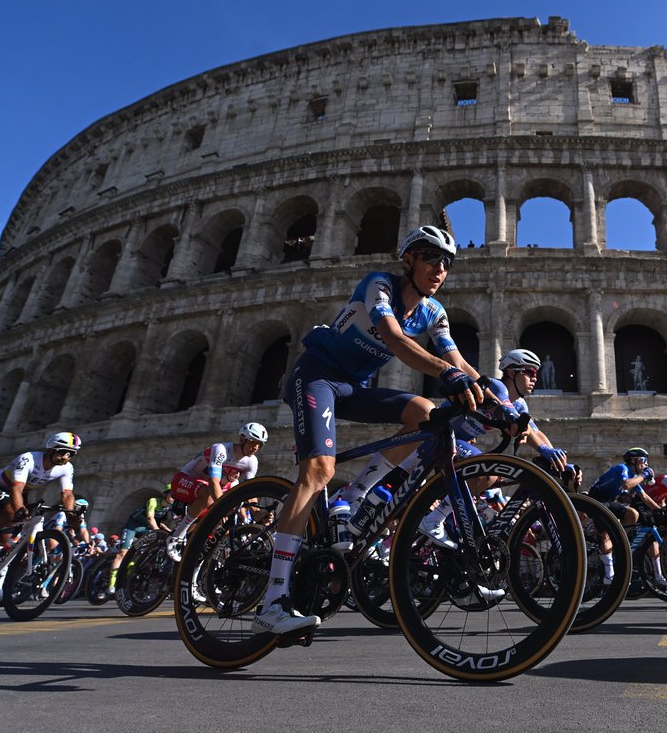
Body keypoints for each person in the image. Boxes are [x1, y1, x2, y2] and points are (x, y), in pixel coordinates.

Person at [254, 225, 484, 636]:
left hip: (353, 388)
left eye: (447, 262)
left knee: (424, 413)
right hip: (317, 376)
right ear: (408, 260)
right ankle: (272, 602)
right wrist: (449, 373)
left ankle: (352, 496)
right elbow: (395, 340)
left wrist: (497, 402)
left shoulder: (434, 312)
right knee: (317, 471)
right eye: (431, 257)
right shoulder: (379, 285)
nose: (440, 268)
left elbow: (458, 360)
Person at [411, 348, 566, 548]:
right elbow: (505, 408)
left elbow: (535, 432)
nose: (535, 378)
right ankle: (435, 518)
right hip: (439, 438)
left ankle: (449, 522)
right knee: (487, 473)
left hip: (454, 444)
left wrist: (555, 456)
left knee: (495, 478)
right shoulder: (495, 386)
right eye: (530, 372)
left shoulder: (520, 405)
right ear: (512, 372)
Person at [0, 432, 83, 553]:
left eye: (71, 454)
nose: (66, 457)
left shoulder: (67, 468)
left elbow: (67, 494)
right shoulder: (28, 459)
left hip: (19, 494)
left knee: (7, 539)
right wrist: (19, 510)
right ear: (50, 450)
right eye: (63, 452)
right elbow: (16, 488)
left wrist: (71, 514)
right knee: (12, 512)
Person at [166, 422, 267, 559]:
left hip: (207, 489)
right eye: (253, 442)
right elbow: (213, 482)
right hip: (184, 480)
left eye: (260, 444)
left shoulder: (252, 462)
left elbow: (249, 491)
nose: (255, 448)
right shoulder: (221, 449)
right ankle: (176, 536)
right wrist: (224, 507)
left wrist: (257, 512)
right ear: (242, 439)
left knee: (234, 503)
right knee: (210, 494)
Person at [587, 447, 667, 587]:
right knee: (606, 534)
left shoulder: (633, 475)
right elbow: (626, 485)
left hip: (608, 501)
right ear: (634, 460)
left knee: (633, 514)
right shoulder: (622, 468)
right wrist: (643, 476)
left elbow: (643, 496)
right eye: (644, 461)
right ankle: (609, 575)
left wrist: (660, 509)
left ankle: (617, 539)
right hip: (596, 501)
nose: (646, 465)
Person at [108, 484, 175, 594]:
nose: (174, 498)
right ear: (165, 494)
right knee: (122, 553)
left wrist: (169, 531)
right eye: (172, 495)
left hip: (145, 528)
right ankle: (112, 583)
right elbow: (150, 517)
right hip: (132, 526)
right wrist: (157, 530)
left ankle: (136, 563)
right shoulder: (154, 501)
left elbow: (164, 523)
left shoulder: (170, 507)